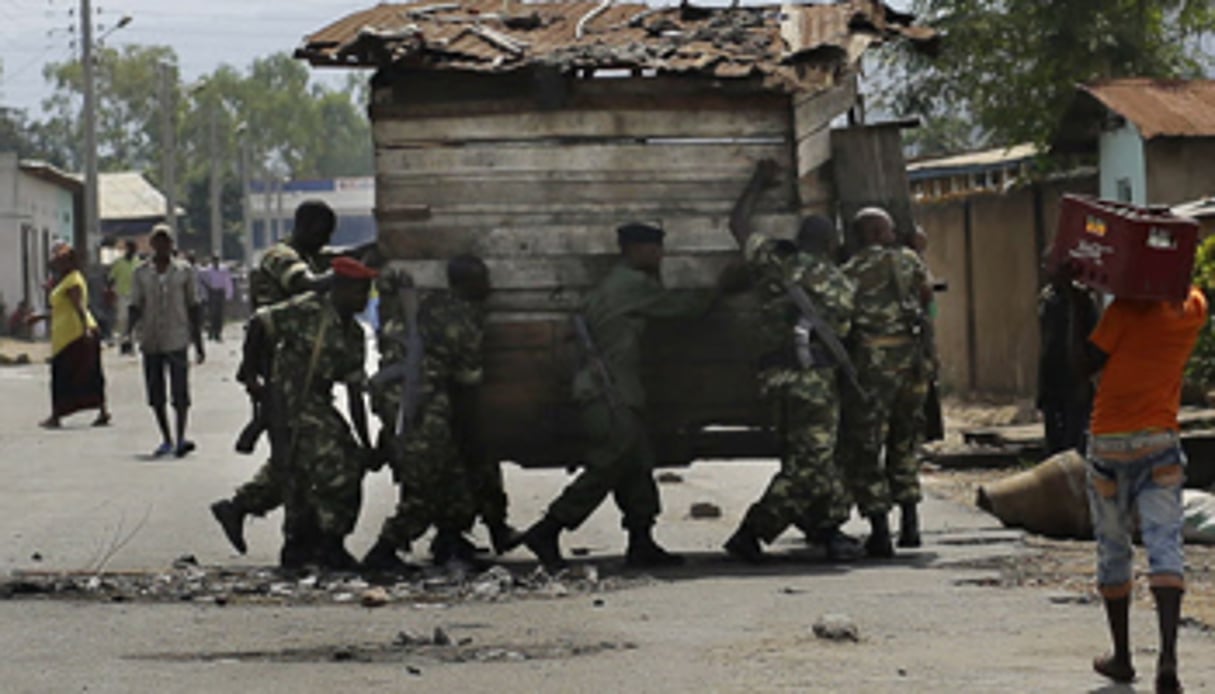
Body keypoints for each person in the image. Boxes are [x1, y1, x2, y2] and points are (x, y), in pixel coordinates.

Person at [521, 222, 718, 572]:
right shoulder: (630, 285)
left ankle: (641, 542)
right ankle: (548, 529)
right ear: (636, 250)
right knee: (609, 463)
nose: (660, 255)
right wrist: (722, 290)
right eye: (654, 248)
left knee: (636, 467)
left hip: (615, 391)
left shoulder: (620, 283)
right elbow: (684, 308)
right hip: (608, 392)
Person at [721, 161, 861, 563]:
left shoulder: (774, 262)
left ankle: (827, 529)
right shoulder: (841, 283)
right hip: (814, 379)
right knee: (813, 463)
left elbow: (737, 224)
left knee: (806, 457)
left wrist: (757, 184)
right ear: (831, 245)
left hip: (775, 376)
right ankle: (752, 533)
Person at [1082, 283, 1206, 694]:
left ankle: (1122, 657)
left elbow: (1086, 363)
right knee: (1164, 544)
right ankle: (1167, 657)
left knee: (1114, 546)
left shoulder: (1123, 311)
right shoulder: (1194, 307)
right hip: (1160, 441)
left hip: (1109, 443)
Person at [362, 255, 518, 571]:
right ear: (464, 284)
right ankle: (384, 549)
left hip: (405, 398)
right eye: (481, 280)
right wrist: (470, 431)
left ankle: (450, 541)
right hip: (420, 403)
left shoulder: (431, 303)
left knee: (454, 475)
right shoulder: (462, 318)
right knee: (428, 482)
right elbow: (468, 382)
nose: (488, 286)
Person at [210, 201, 339, 555]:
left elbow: (335, 258)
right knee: (292, 456)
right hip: (277, 370)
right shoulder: (282, 257)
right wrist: (346, 274)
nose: (326, 241)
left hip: (298, 367)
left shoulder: (309, 253)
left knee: (297, 455)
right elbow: (307, 284)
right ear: (307, 226)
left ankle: (244, 510)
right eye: (323, 233)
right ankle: (295, 541)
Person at [234, 257, 376, 570]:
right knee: (338, 467)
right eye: (359, 292)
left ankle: (288, 539)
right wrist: (250, 374)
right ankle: (329, 543)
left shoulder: (353, 334)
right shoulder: (308, 310)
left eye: (367, 293)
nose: (364, 300)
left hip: (315, 402)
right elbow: (260, 322)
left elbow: (354, 393)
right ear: (339, 288)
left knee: (300, 471)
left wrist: (366, 443)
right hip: (287, 399)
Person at [837, 208, 932, 558]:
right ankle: (911, 525)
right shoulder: (909, 259)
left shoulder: (850, 271)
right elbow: (927, 298)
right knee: (904, 441)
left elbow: (840, 314)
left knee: (866, 445)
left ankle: (880, 532)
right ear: (879, 231)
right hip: (912, 363)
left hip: (873, 366)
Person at [127, 225, 206, 458]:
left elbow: (194, 305)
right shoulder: (141, 273)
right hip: (150, 338)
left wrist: (198, 341)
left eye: (166, 241)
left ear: (172, 244)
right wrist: (128, 334)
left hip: (177, 337)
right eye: (158, 242)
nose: (162, 246)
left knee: (180, 391)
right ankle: (166, 438)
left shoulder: (184, 271)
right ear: (152, 244)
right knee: (156, 392)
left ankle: (181, 436)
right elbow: (135, 305)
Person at [27, 245, 111, 428]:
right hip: (66, 335)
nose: (57, 263)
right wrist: (39, 317)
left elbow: (78, 306)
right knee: (86, 373)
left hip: (75, 335)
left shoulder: (73, 281)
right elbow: (60, 309)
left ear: (70, 262)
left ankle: (57, 416)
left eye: (61, 260)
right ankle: (101, 411)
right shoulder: (65, 280)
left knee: (65, 376)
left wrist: (85, 329)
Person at [1037, 260, 1099, 455]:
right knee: (1054, 442)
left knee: (1075, 441)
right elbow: (1047, 344)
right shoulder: (1049, 299)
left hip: (1075, 379)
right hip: (1052, 378)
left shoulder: (1083, 301)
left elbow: (1091, 341)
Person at [109, 240, 139, 349]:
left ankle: (131, 342)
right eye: (130, 248)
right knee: (122, 319)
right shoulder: (119, 262)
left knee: (133, 320)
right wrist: (109, 291)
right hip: (121, 294)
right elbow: (111, 278)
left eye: (134, 249)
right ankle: (123, 342)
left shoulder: (137, 262)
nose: (132, 251)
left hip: (134, 295)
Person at [198, 255, 234, 341]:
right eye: (214, 261)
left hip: (220, 292)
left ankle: (218, 332)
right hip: (212, 292)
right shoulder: (208, 270)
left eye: (217, 261)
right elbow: (200, 277)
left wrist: (229, 294)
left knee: (219, 313)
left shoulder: (223, 269)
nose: (215, 263)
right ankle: (211, 331)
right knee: (212, 313)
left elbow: (227, 281)